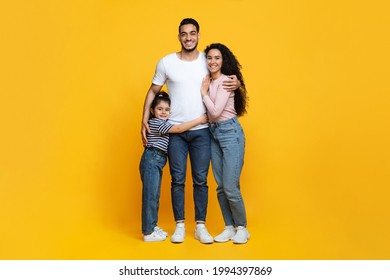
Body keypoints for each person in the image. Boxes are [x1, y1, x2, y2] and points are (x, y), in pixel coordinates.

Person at [141, 18, 241, 244]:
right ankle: (179, 226)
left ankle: (200, 227)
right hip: (175, 132)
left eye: (192, 33)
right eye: (184, 34)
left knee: (200, 180)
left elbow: (228, 76)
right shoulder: (166, 62)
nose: (188, 37)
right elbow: (151, 91)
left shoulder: (207, 61)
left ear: (198, 35)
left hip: (203, 131)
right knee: (177, 180)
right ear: (179, 37)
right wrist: (144, 118)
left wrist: (237, 84)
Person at [140, 92, 208, 242]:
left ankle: (152, 225)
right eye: (159, 109)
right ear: (152, 111)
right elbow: (178, 129)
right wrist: (200, 120)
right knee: (150, 196)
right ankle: (148, 231)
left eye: (167, 109)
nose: (164, 112)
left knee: (154, 195)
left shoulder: (162, 122)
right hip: (152, 159)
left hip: (157, 160)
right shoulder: (156, 123)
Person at [201, 43, 250, 244]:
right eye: (209, 58)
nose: (213, 61)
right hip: (213, 134)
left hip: (230, 133)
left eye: (217, 58)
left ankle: (242, 227)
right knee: (221, 186)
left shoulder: (226, 82)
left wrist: (204, 93)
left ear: (224, 61)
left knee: (230, 186)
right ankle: (229, 227)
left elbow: (215, 112)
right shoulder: (206, 81)